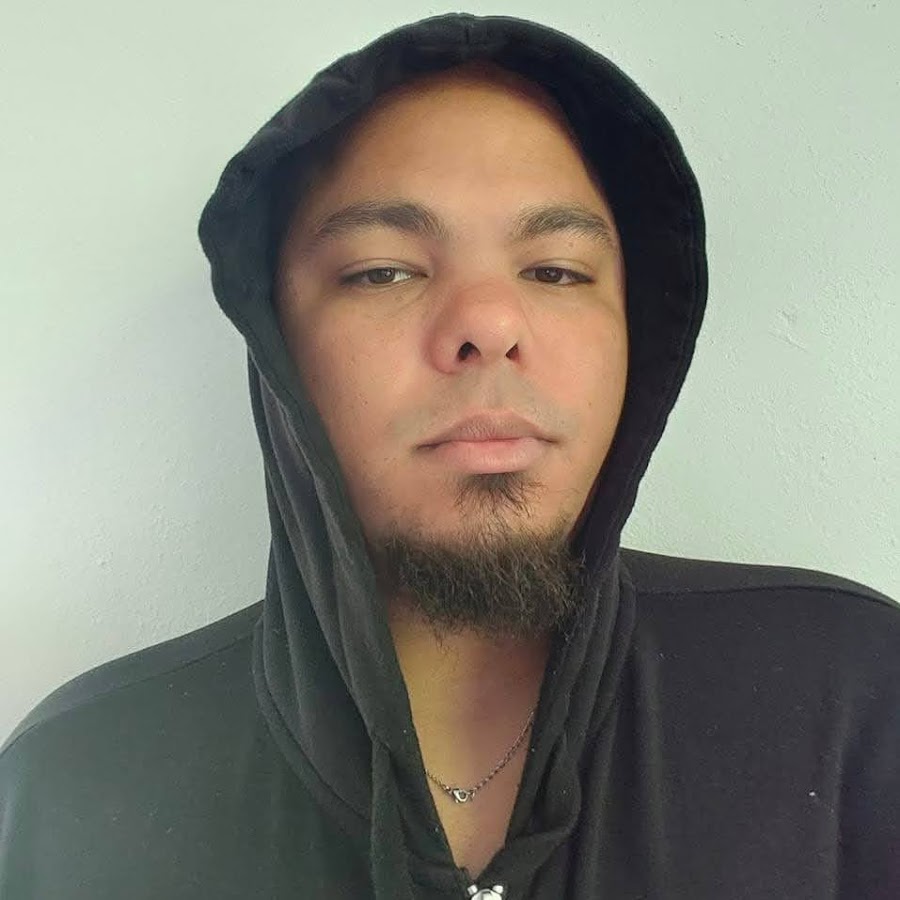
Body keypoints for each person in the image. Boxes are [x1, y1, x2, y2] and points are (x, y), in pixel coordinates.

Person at [1, 12, 897, 900]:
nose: (490, 323)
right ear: (277, 345)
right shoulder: (74, 787)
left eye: (556, 271)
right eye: (382, 271)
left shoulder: (852, 700)